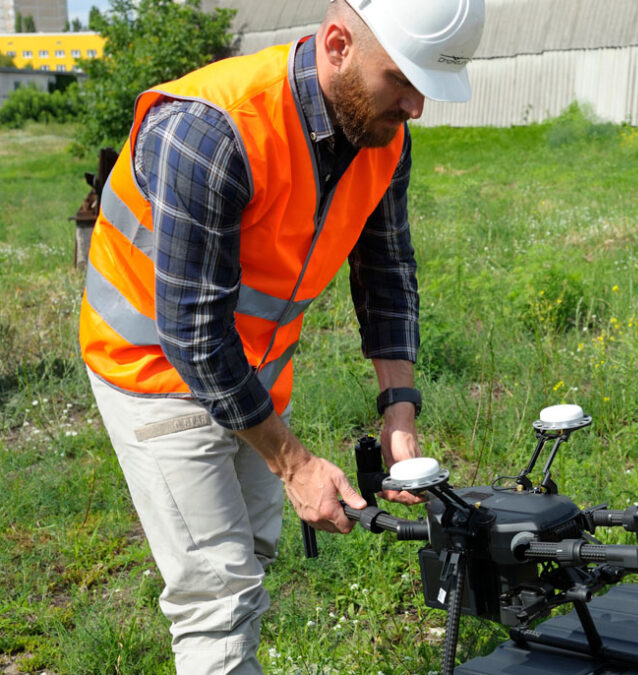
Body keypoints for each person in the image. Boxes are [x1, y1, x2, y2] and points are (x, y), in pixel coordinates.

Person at [78, 0, 485, 671]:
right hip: (153, 368)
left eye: (427, 88)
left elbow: (386, 274)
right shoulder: (213, 131)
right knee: (219, 594)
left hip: (254, 369)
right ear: (336, 44)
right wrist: (294, 463)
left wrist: (399, 412)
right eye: (403, 81)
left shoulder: (382, 138)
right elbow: (194, 334)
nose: (416, 107)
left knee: (250, 557)